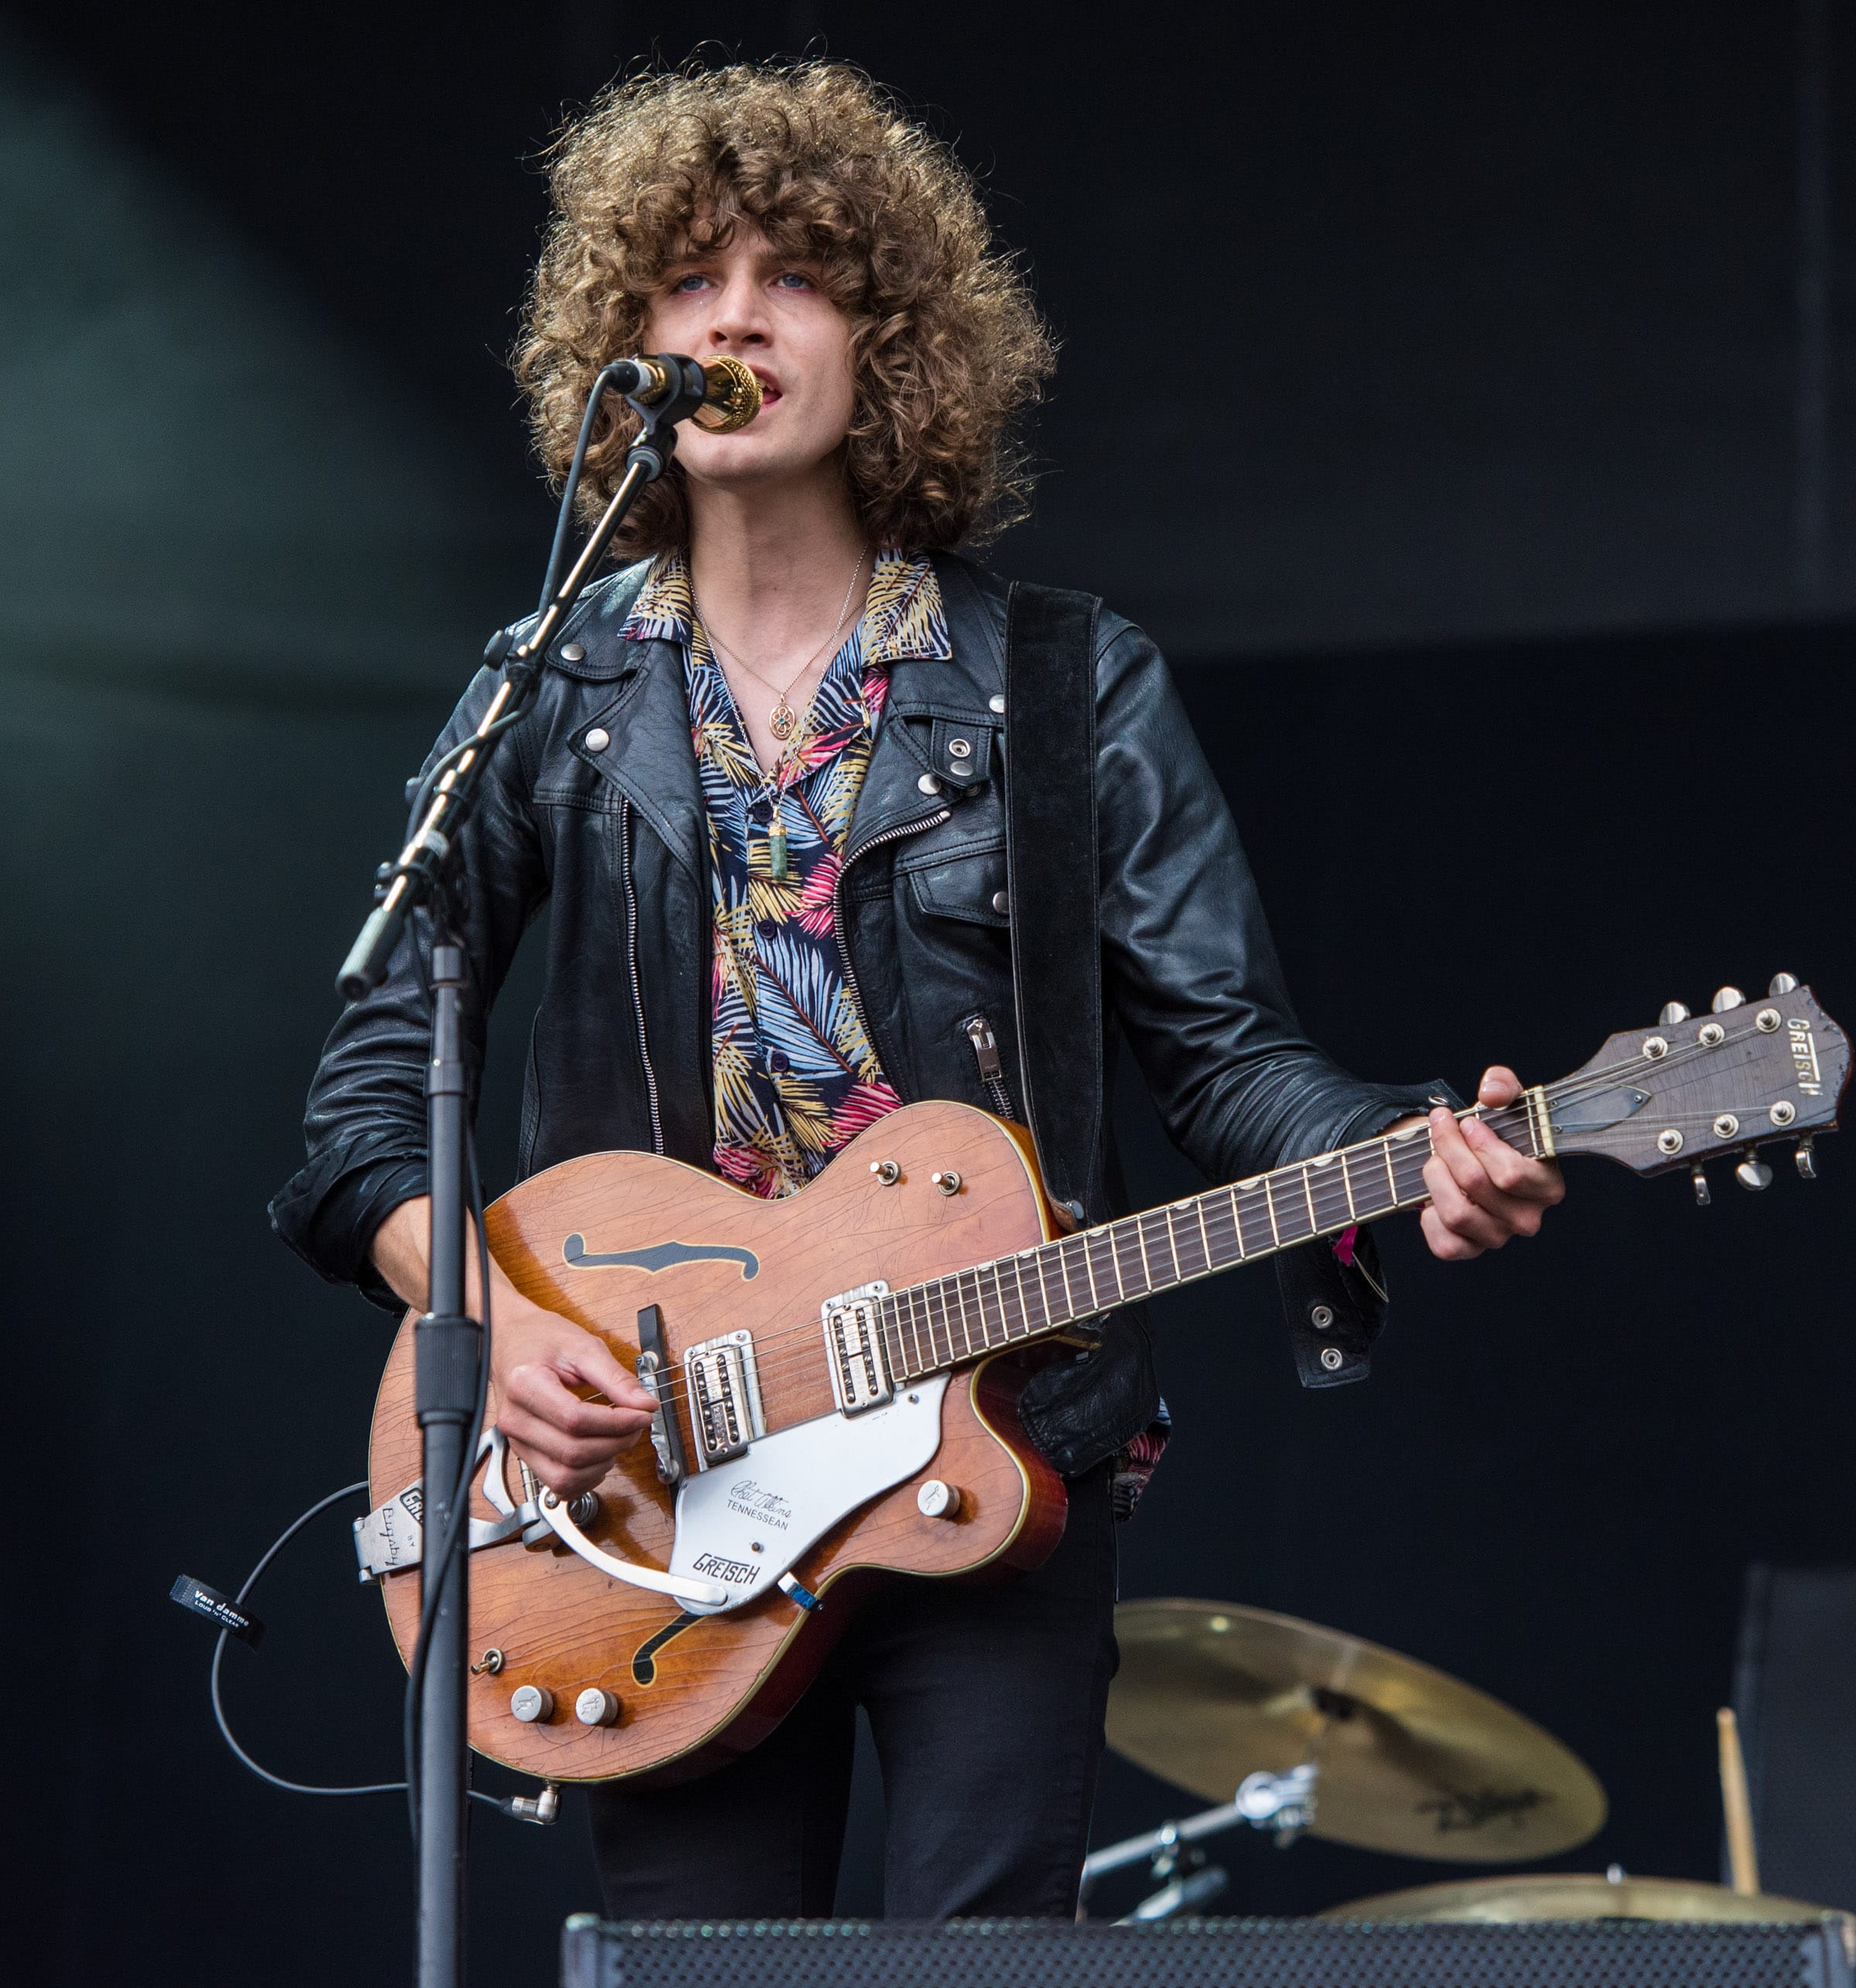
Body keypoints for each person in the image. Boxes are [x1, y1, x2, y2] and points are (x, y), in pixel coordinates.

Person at [268, 63, 1561, 1920]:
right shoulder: (554, 688)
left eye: (791, 277)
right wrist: (490, 1321)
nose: (731, 317)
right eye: (687, 281)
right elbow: (364, 1100)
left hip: (996, 1437)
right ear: (627, 345)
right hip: (655, 1487)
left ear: (891, 345)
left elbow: (1229, 1060)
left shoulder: (1064, 685)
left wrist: (1409, 1146)